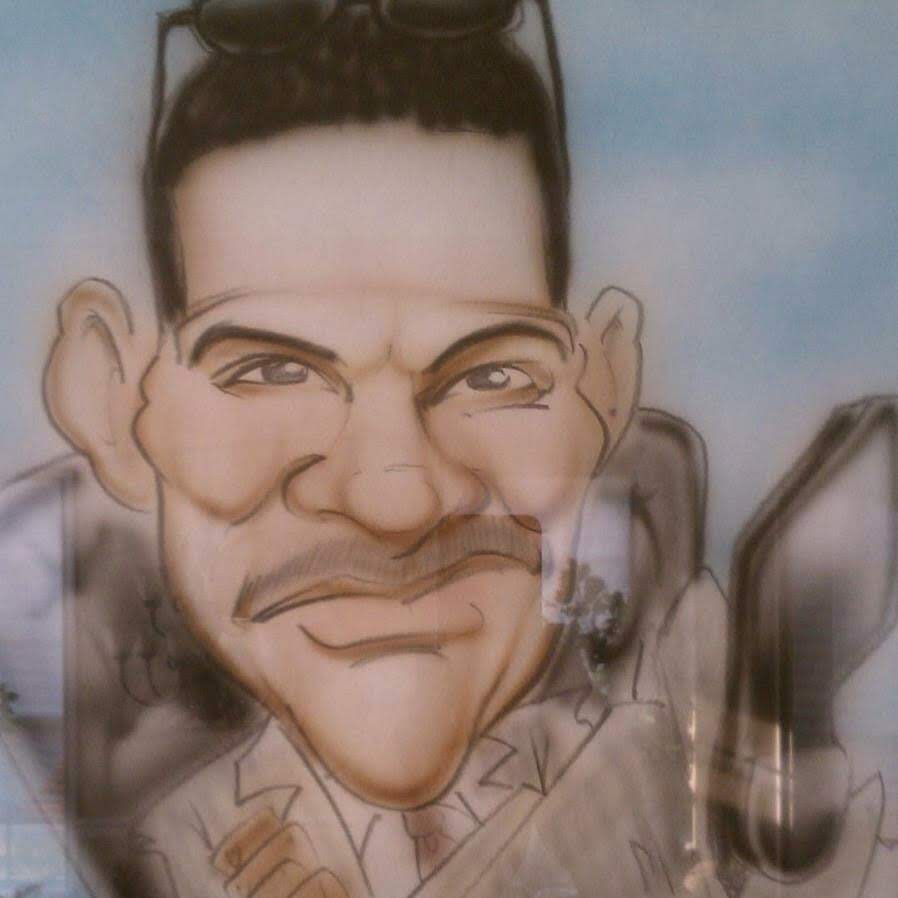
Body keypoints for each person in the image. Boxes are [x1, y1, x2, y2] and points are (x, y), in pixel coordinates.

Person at [7, 1, 897, 896]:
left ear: (602, 390)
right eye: (272, 371)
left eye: (491, 375)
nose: (395, 499)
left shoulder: (641, 753)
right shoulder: (185, 846)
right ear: (113, 401)